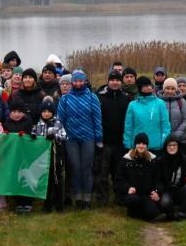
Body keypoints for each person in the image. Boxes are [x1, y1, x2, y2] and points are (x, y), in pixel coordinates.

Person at [57, 69, 103, 210]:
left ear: (85, 81)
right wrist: (60, 137)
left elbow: (97, 118)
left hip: (88, 137)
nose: (78, 83)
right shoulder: (65, 99)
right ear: (72, 82)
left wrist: (99, 138)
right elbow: (60, 120)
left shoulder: (92, 97)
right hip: (71, 139)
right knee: (75, 168)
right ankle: (77, 197)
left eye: (80, 80)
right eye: (75, 81)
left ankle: (87, 200)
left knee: (86, 169)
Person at [96, 71, 130, 205]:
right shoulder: (100, 97)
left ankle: (119, 198)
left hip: (120, 143)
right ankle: (102, 199)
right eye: (112, 80)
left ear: (120, 82)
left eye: (117, 80)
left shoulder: (126, 99)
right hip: (104, 142)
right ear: (108, 81)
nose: (115, 82)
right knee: (102, 174)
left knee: (119, 173)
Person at [115, 133, 164, 221]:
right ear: (135, 145)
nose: (141, 146)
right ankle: (133, 212)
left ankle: (143, 212)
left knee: (152, 213)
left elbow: (158, 179)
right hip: (132, 194)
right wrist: (127, 188)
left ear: (147, 145)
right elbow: (119, 180)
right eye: (139, 143)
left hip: (146, 194)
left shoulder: (153, 160)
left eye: (144, 144)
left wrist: (157, 191)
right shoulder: (126, 160)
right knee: (134, 200)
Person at [32, 97, 68, 213]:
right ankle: (47, 205)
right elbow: (34, 133)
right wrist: (32, 136)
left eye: (49, 111)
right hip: (43, 159)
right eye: (44, 111)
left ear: (52, 112)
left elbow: (64, 136)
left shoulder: (57, 123)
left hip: (56, 157)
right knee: (46, 182)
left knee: (57, 181)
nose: (46, 114)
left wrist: (55, 137)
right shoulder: (38, 124)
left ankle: (59, 206)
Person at [156, 136, 186, 219]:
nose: (172, 147)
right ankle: (171, 213)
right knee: (165, 202)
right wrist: (159, 191)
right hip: (167, 191)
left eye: (174, 145)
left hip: (181, 190)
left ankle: (183, 211)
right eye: (169, 145)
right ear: (165, 147)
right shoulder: (160, 161)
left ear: (178, 146)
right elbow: (158, 179)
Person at [161, 78, 186, 147]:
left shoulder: (182, 102)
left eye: (172, 89)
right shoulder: (159, 102)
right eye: (167, 88)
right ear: (163, 89)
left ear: (176, 89)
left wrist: (176, 135)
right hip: (163, 139)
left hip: (180, 139)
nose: (170, 91)